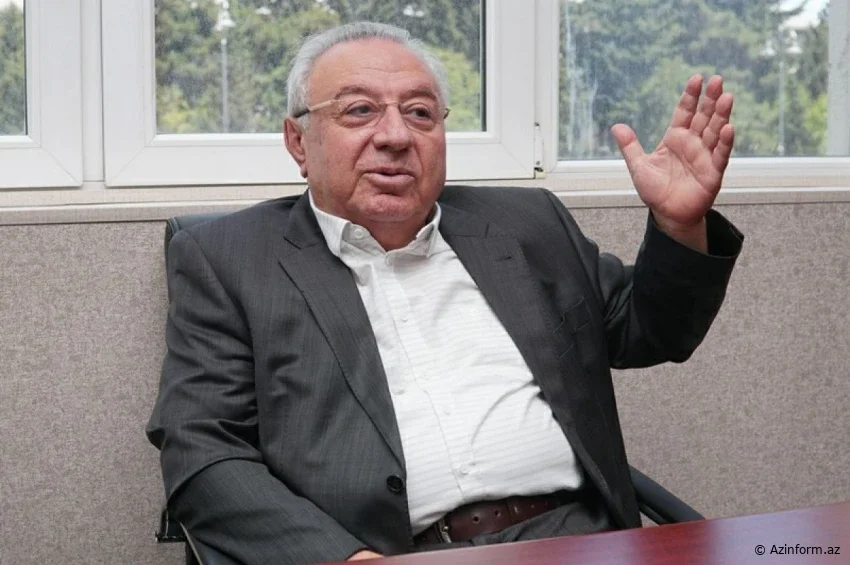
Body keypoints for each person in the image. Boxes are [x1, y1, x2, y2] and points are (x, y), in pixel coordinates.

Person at [147, 21, 743, 565]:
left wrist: (679, 225)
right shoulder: (231, 259)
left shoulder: (525, 225)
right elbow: (203, 451)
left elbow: (652, 330)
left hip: (574, 539)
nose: (395, 136)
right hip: (387, 552)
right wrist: (344, 559)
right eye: (359, 110)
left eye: (420, 113)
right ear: (298, 141)